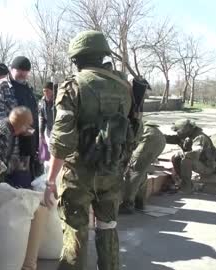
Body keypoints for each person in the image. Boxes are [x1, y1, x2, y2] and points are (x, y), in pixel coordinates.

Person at [44, 30, 133, 270]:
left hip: (78, 175)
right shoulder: (124, 87)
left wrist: (50, 181)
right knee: (108, 228)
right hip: (110, 171)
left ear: (77, 59)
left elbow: (62, 140)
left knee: (76, 232)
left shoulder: (73, 86)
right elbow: (133, 132)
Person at [0, 56, 40, 188]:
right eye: (20, 70)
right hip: (9, 150)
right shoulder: (2, 87)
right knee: (8, 190)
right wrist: (20, 129)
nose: (23, 74)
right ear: (11, 70)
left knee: (24, 189)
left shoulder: (27, 88)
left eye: (26, 71)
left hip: (26, 148)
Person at [120, 123, 166, 214]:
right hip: (155, 137)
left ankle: (127, 204)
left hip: (149, 138)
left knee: (133, 170)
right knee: (141, 169)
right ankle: (139, 201)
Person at [165, 119, 216, 193]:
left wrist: (185, 154)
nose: (177, 133)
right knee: (176, 157)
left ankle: (187, 188)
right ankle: (182, 181)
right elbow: (168, 138)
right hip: (198, 164)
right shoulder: (186, 136)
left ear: (186, 130)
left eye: (178, 131)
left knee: (187, 159)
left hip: (208, 167)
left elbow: (196, 151)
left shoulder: (199, 137)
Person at [39, 82, 54, 162]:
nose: (45, 93)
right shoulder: (42, 102)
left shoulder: (58, 101)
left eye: (47, 91)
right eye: (44, 91)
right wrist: (41, 133)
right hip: (49, 131)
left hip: (58, 132)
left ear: (52, 91)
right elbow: (42, 118)